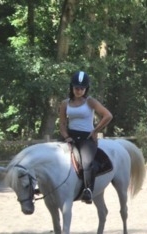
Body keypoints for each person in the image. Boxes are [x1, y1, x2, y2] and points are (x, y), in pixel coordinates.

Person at [58, 70, 113, 204]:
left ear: (86, 89)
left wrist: (95, 130)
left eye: (82, 88)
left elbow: (108, 115)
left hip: (86, 139)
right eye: (77, 87)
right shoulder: (65, 103)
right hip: (70, 136)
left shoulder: (90, 102)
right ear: (72, 87)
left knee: (87, 162)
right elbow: (62, 122)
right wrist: (66, 136)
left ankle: (88, 190)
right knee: (53, 156)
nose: (79, 90)